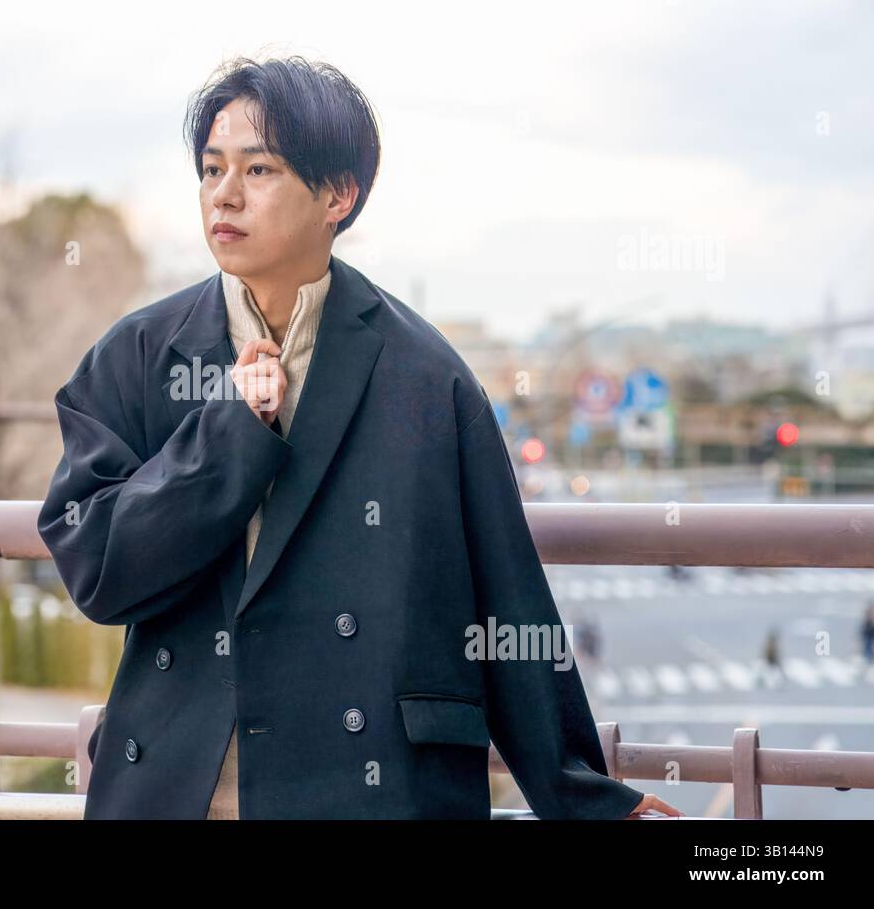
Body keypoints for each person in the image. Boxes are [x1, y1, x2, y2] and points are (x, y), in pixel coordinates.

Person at [37, 55, 679, 820]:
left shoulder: (425, 375)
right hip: (184, 788)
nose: (224, 195)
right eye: (211, 170)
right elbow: (98, 570)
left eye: (260, 169)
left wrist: (584, 796)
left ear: (338, 195)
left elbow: (505, 598)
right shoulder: (138, 356)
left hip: (370, 788)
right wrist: (230, 434)